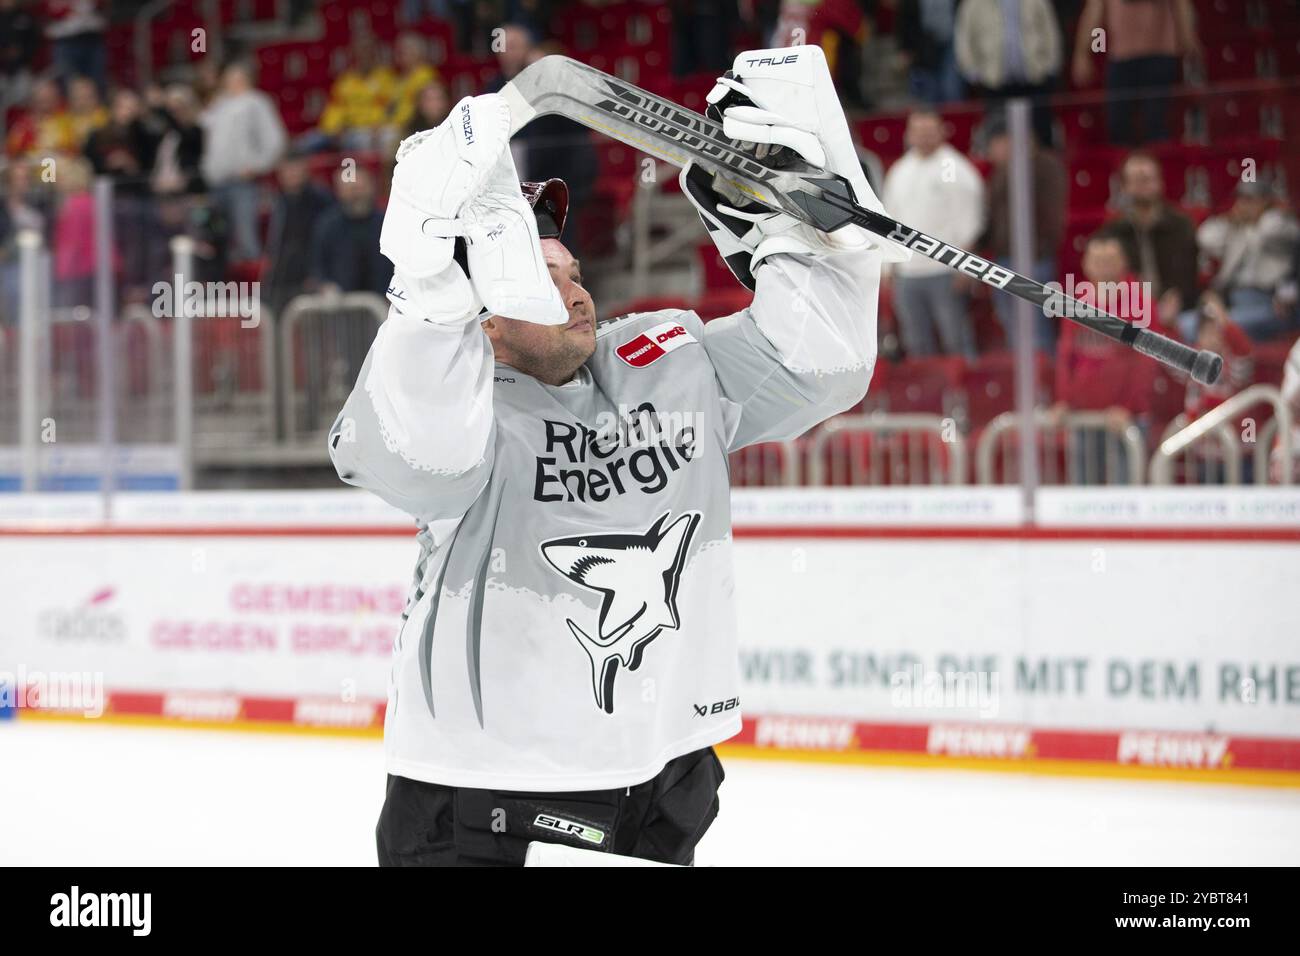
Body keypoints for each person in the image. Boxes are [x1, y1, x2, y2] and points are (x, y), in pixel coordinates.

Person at [330, 54, 885, 865]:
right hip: (472, 789)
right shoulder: (464, 406)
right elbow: (421, 453)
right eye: (544, 280)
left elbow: (823, 366)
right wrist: (426, 293)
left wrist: (803, 232)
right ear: (483, 319)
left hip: (655, 774)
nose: (579, 292)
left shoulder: (665, 357)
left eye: (575, 272)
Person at [1048, 234, 1158, 482]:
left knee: (1125, 495)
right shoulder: (1076, 303)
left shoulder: (1139, 302)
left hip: (1125, 420)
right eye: (1096, 260)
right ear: (1086, 264)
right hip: (1085, 417)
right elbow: (1066, 357)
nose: (1102, 266)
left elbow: (1145, 361)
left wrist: (1127, 407)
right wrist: (1064, 400)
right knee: (1084, 495)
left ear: (1123, 263)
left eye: (1109, 260)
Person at [882, 109, 984, 357]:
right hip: (908, 273)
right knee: (916, 343)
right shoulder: (900, 170)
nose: (924, 137)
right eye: (918, 131)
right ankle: (926, 395)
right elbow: (888, 219)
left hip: (945, 270)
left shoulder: (952, 167)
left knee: (956, 340)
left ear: (941, 131)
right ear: (908, 134)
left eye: (929, 131)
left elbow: (969, 218)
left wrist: (965, 266)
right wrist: (887, 267)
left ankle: (965, 392)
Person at [979, 113, 1065, 353]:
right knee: (1014, 329)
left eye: (994, 144)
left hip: (1033, 260)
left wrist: (1039, 249)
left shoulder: (1043, 166)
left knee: (1036, 329)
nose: (990, 151)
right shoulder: (1001, 173)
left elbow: (1050, 216)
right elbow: (994, 221)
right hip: (1004, 260)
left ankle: (1043, 378)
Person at [1071, 0, 1199, 146]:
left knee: (1156, 123)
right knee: (1118, 125)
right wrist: (1082, 53)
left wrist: (1188, 39)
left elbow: (1181, 5)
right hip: (1121, 57)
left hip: (1160, 55)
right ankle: (1123, 166)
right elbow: (1094, 11)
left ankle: (1159, 165)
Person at [1096, 151, 1199, 328]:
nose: (1143, 186)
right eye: (1137, 180)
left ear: (1160, 182)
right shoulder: (1113, 232)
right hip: (1130, 312)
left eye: (1147, 179)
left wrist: (1176, 297)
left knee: (1192, 326)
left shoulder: (1181, 225)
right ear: (1124, 186)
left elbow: (1190, 274)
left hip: (1178, 310)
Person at [200, 61, 287, 262]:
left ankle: (255, 284)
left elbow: (275, 140)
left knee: (246, 238)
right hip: (217, 183)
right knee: (218, 241)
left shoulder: (256, 102)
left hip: (243, 182)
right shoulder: (219, 106)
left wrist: (257, 166)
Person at [1196, 180, 1300, 342]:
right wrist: (1229, 220)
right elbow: (1205, 237)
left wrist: (1265, 214)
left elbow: (1271, 233)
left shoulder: (1280, 223)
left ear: (1265, 201)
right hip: (1232, 300)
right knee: (1187, 323)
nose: (1242, 205)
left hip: (1270, 303)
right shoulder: (1237, 229)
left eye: (1249, 200)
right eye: (1240, 199)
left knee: (1213, 328)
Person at [954, 0, 1062, 146]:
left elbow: (1050, 31)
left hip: (1035, 78)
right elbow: (964, 38)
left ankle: (1043, 167)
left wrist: (1050, 66)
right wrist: (972, 72)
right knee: (998, 136)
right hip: (993, 81)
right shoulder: (973, 3)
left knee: (1040, 133)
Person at [896, 0, 964, 105]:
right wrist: (905, 48)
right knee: (928, 93)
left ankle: (953, 120)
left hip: (952, 44)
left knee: (951, 89)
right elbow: (905, 17)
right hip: (924, 47)